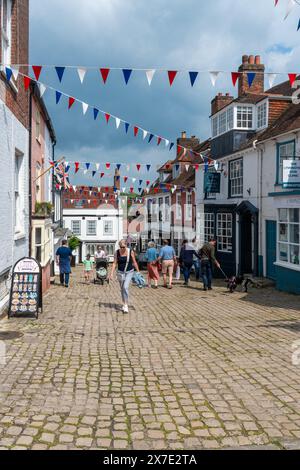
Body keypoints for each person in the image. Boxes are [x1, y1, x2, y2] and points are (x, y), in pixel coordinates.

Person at [110, 239, 140, 313]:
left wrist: (138, 272)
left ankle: (126, 305)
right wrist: (111, 273)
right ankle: (124, 303)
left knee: (125, 287)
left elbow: (134, 262)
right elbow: (114, 263)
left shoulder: (130, 251)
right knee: (122, 289)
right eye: (121, 247)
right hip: (120, 272)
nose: (122, 248)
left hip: (129, 272)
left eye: (123, 247)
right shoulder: (117, 252)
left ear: (126, 245)